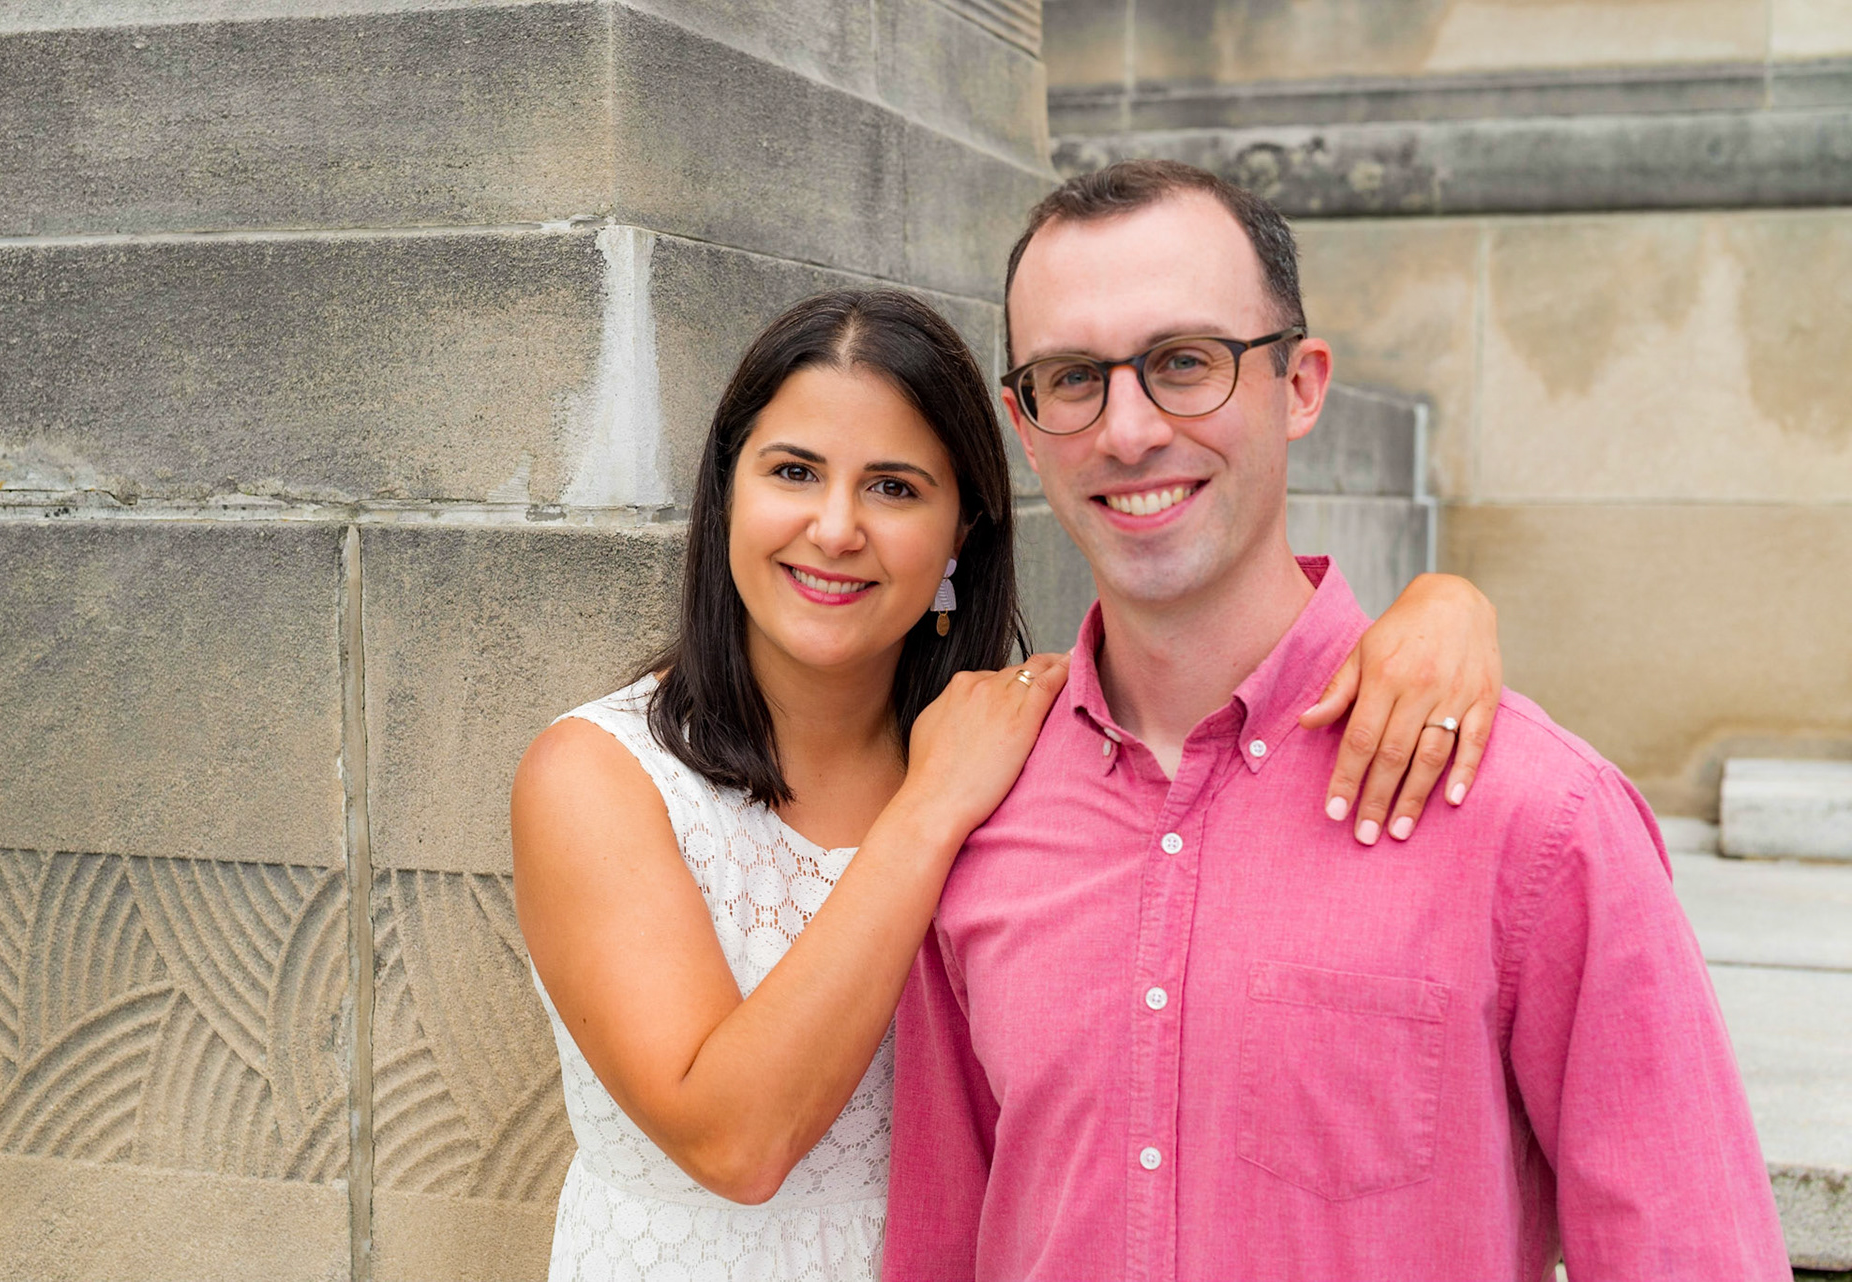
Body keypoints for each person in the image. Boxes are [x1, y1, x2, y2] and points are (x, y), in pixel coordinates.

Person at [883, 160, 1788, 1281]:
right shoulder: (978, 803)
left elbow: (1688, 1252)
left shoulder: (1535, 815)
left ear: (1301, 386)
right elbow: (940, 1245)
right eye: (1073, 378)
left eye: (1185, 362)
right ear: (1025, 425)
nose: (1128, 430)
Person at [512, 288, 1503, 1282]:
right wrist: (930, 809)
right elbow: (735, 1142)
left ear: (961, 534)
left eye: (894, 488)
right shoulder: (599, 776)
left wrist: (1447, 603)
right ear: (729, 490)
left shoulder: (1025, 748)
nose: (835, 527)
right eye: (794, 472)